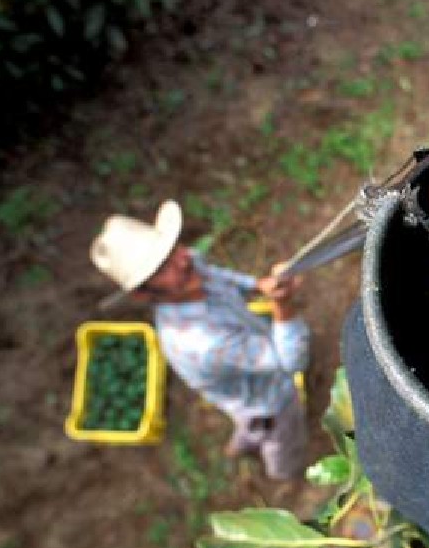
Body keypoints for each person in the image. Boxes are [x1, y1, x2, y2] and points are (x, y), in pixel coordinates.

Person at [89, 199, 311, 480]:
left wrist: (257, 286)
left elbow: (218, 276)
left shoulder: (188, 267)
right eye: (162, 267)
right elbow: (292, 361)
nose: (183, 259)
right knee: (280, 435)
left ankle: (243, 440)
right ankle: (285, 472)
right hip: (268, 399)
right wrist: (283, 304)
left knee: (245, 418)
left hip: (241, 384)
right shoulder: (199, 342)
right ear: (144, 294)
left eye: (173, 249)